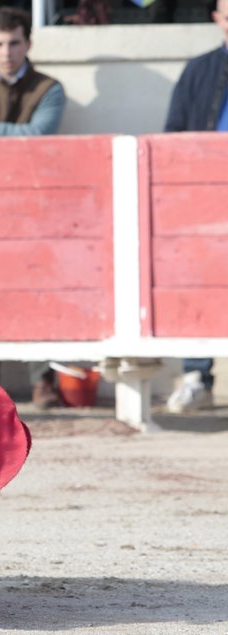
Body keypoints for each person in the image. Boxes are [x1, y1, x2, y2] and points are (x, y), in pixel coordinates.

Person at [161, 0, 227, 413]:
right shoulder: (199, 70)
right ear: (217, 19)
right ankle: (197, 377)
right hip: (205, 192)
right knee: (198, 278)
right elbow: (173, 132)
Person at [0, 7, 65, 138]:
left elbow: (39, 135)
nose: (6, 53)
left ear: (28, 44)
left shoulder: (48, 88)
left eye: (14, 43)